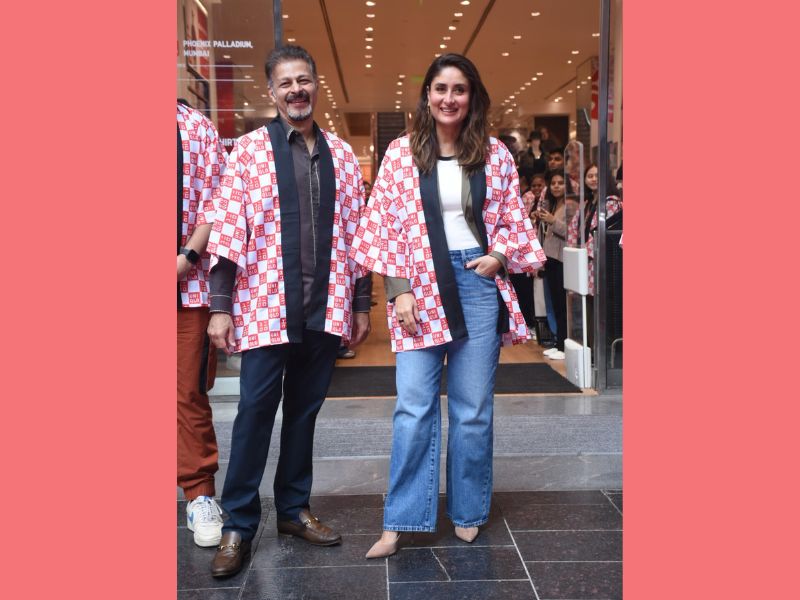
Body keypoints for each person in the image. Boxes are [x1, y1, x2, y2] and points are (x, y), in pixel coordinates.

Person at [349, 53, 546, 558]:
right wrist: (399, 289)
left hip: (476, 281)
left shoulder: (495, 154)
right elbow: (383, 226)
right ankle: (401, 519)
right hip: (417, 282)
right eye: (440, 88)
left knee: (472, 408)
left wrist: (499, 256)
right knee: (413, 407)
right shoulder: (401, 153)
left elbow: (512, 219)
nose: (449, 98)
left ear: (472, 96)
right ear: (427, 96)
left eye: (459, 89)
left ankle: (468, 510)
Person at [205, 45, 373, 578]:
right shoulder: (249, 152)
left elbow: (358, 234)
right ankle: (237, 524)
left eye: (304, 80)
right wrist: (220, 307)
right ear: (272, 92)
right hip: (264, 306)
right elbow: (227, 230)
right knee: (255, 413)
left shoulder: (342, 154)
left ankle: (294, 510)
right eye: (286, 83)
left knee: (304, 412)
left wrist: (361, 303)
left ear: (316, 84)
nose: (296, 90)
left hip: (324, 306)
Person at [176, 100, 228, 547]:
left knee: (187, 394)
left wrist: (186, 258)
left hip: (186, 285)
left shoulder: (197, 128)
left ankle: (199, 494)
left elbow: (217, 203)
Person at [567, 164, 622, 348]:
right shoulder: (587, 203)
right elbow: (573, 229)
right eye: (589, 176)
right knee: (588, 308)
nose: (593, 179)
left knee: (599, 309)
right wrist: (574, 252)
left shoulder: (611, 203)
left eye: (597, 175)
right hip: (584, 263)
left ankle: (599, 352)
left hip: (601, 264)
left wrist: (583, 253)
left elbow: (602, 237)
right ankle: (590, 350)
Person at [535, 170, 569, 360]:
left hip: (563, 258)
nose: (556, 186)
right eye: (554, 183)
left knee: (563, 304)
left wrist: (553, 220)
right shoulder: (554, 204)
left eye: (560, 183)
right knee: (555, 302)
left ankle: (564, 344)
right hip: (551, 257)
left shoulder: (571, 205)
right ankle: (559, 341)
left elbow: (572, 232)